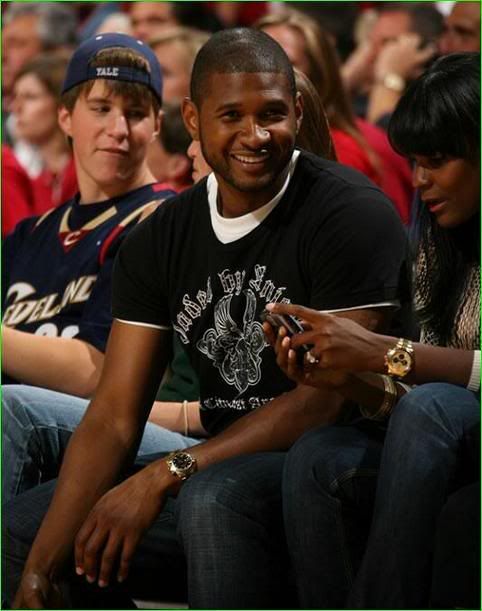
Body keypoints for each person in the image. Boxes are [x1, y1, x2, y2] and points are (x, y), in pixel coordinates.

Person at [4, 28, 410, 609]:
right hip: (220, 454)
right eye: (232, 116)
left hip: (334, 459)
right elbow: (116, 414)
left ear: (296, 109)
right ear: (192, 120)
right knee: (28, 534)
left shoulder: (349, 211)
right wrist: (41, 571)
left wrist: (167, 471)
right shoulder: (162, 236)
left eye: (272, 114)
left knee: (213, 498)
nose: (256, 135)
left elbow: (327, 399)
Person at [265, 52, 480, 608]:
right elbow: (410, 408)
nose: (420, 181)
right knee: (318, 456)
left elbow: (433, 395)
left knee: (432, 406)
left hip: (452, 422)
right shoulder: (437, 246)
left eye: (437, 160)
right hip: (445, 435)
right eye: (413, 162)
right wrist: (344, 377)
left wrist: (385, 351)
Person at [2, 33, 175, 398]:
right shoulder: (30, 234)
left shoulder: (160, 220)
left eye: (136, 114)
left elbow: (97, 373)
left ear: (157, 125)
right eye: (101, 109)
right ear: (65, 117)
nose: (118, 130)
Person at [255, 8, 414, 223]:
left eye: (284, 64)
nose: (261, 76)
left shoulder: (346, 153)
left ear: (318, 75)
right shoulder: (255, 145)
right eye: (252, 62)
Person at [11, 52, 78, 218]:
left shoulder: (85, 173)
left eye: (30, 97)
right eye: (15, 97)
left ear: (60, 105)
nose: (16, 108)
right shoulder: (38, 179)